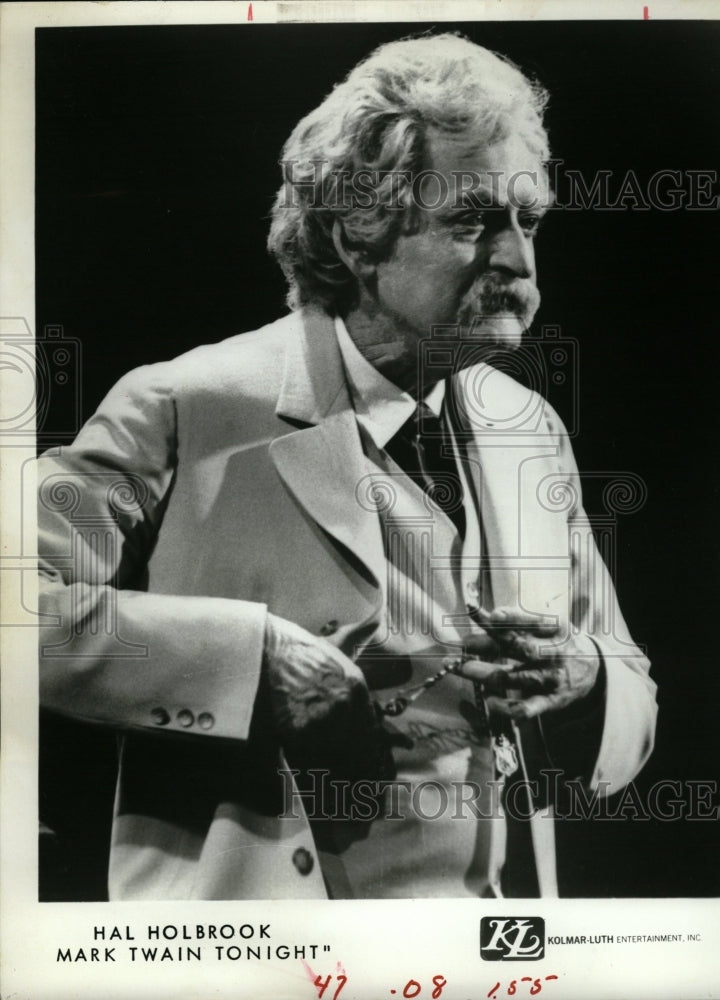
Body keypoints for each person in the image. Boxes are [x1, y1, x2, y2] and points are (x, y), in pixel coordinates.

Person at [38, 33, 657, 900]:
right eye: (475, 220)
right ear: (357, 231)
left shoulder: (529, 428)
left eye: (530, 220)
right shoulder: (187, 405)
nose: (519, 261)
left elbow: (626, 675)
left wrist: (587, 678)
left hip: (493, 956)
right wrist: (249, 662)